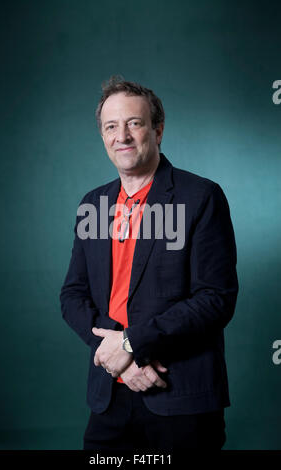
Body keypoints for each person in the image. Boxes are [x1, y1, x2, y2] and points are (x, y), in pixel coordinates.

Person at [60, 76, 239, 451]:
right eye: (111, 126)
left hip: (180, 397)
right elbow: (73, 295)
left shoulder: (201, 197)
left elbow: (215, 298)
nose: (121, 135)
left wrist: (132, 343)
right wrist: (120, 359)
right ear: (103, 136)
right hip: (110, 396)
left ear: (158, 131)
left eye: (134, 123)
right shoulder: (94, 204)